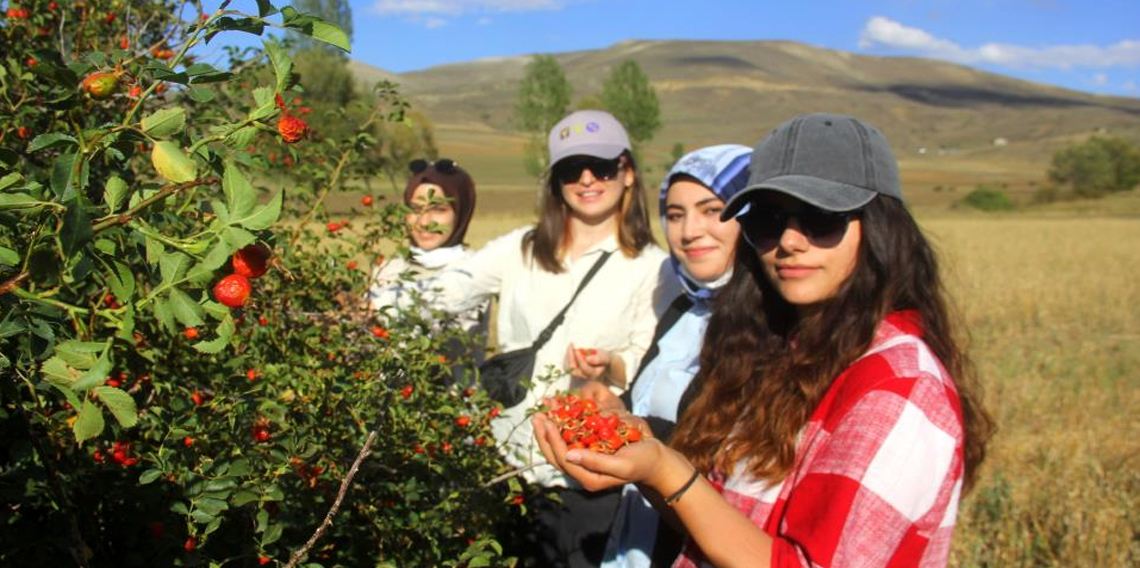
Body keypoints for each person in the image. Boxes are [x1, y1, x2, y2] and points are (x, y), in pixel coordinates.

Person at [534, 113, 994, 568]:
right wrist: (636, 447)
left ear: (880, 226)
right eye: (769, 220)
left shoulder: (896, 388)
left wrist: (663, 468)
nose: (790, 241)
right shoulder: (782, 349)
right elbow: (722, 524)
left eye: (820, 217)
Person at [373, 110, 673, 567]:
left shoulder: (654, 268)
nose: (588, 179)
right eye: (572, 169)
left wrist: (610, 364)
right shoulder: (520, 249)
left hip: (587, 480)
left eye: (603, 166)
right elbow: (446, 292)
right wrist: (369, 300)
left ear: (628, 173)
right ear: (556, 181)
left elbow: (649, 361)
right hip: (506, 466)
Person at [578, 144, 752, 568]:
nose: (689, 231)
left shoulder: (769, 330)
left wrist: (642, 439)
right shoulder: (681, 311)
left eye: (713, 210)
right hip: (639, 534)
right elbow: (649, 413)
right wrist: (615, 408)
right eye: (675, 215)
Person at [367, 158, 488, 378]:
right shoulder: (387, 271)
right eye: (415, 209)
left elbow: (437, 329)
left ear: (462, 212)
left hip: (453, 406)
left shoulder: (477, 270)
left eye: (438, 209)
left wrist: (377, 310)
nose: (424, 221)